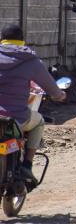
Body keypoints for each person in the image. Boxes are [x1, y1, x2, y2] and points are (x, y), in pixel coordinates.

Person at [0, 24, 66, 182]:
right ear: (22, 41)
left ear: (2, 39)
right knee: (39, 122)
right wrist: (59, 95)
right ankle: (27, 165)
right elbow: (51, 87)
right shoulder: (30, 60)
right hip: (15, 118)